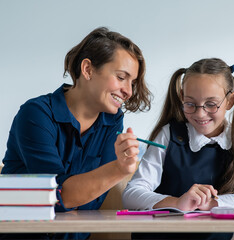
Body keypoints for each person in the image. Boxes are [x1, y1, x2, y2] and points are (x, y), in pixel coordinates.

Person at [1, 27, 152, 240]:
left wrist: (71, 198)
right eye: (121, 77)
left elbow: (90, 202)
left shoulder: (113, 120)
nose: (128, 91)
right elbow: (57, 196)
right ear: (88, 69)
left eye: (133, 82)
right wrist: (118, 169)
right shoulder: (36, 114)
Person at [122, 58, 234, 240]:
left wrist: (214, 203)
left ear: (230, 100)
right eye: (190, 103)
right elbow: (131, 193)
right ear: (182, 96)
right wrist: (178, 203)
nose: (199, 113)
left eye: (211, 104)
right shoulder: (168, 135)